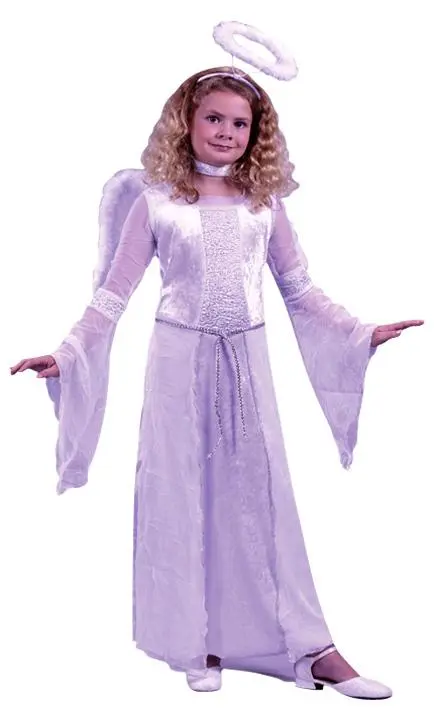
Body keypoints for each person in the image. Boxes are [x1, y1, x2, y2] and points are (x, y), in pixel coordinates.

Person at [10, 65, 423, 698]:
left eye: (240, 123)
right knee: (181, 492)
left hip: (246, 366)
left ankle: (311, 646)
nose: (227, 132)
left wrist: (358, 332)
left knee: (261, 497)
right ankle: (194, 639)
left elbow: (299, 289)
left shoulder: (264, 203)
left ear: (256, 133)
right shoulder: (157, 202)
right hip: (178, 366)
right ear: (187, 121)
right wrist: (68, 355)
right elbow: (113, 296)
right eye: (214, 118)